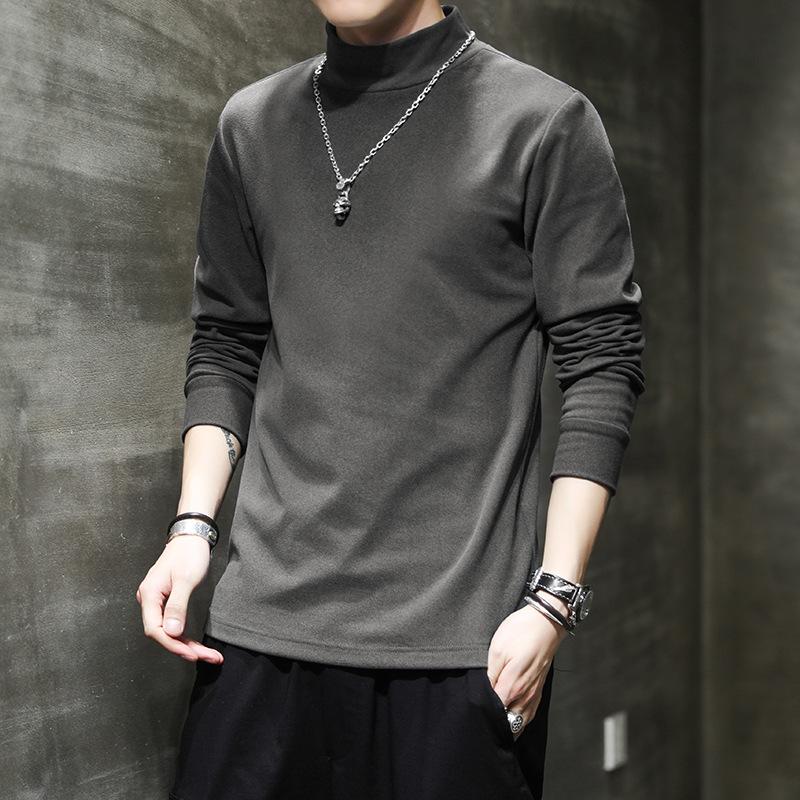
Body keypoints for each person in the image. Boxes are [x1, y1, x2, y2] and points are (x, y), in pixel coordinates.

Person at [136, 2, 646, 798]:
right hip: (260, 639)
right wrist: (192, 527)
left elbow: (602, 363)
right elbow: (227, 342)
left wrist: (552, 599)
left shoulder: (543, 122)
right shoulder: (252, 126)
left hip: (457, 657)